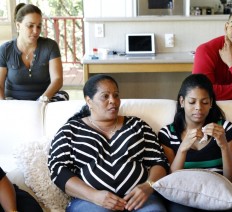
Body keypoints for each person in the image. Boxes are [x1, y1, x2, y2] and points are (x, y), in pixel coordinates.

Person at [48, 74, 169, 212]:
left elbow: (159, 161)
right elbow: (57, 170)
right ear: (89, 101)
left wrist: (148, 186)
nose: (113, 101)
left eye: (116, 95)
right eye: (105, 96)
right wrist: (94, 196)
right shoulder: (70, 131)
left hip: (140, 200)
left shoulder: (137, 125)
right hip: (90, 202)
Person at [158, 74, 232, 212]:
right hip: (183, 198)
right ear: (182, 101)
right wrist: (182, 149)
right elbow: (171, 181)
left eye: (204, 102)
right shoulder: (168, 133)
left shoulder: (224, 129)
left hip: (219, 195)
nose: (198, 108)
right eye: (192, 102)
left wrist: (224, 146)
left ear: (211, 103)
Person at [0, 3, 69, 102]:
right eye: (30, 26)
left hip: (45, 99)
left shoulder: (50, 46)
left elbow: (57, 80)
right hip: (15, 100)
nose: (35, 31)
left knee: (63, 95)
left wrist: (42, 100)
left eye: (39, 26)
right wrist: (3, 105)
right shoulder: (5, 50)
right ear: (18, 25)